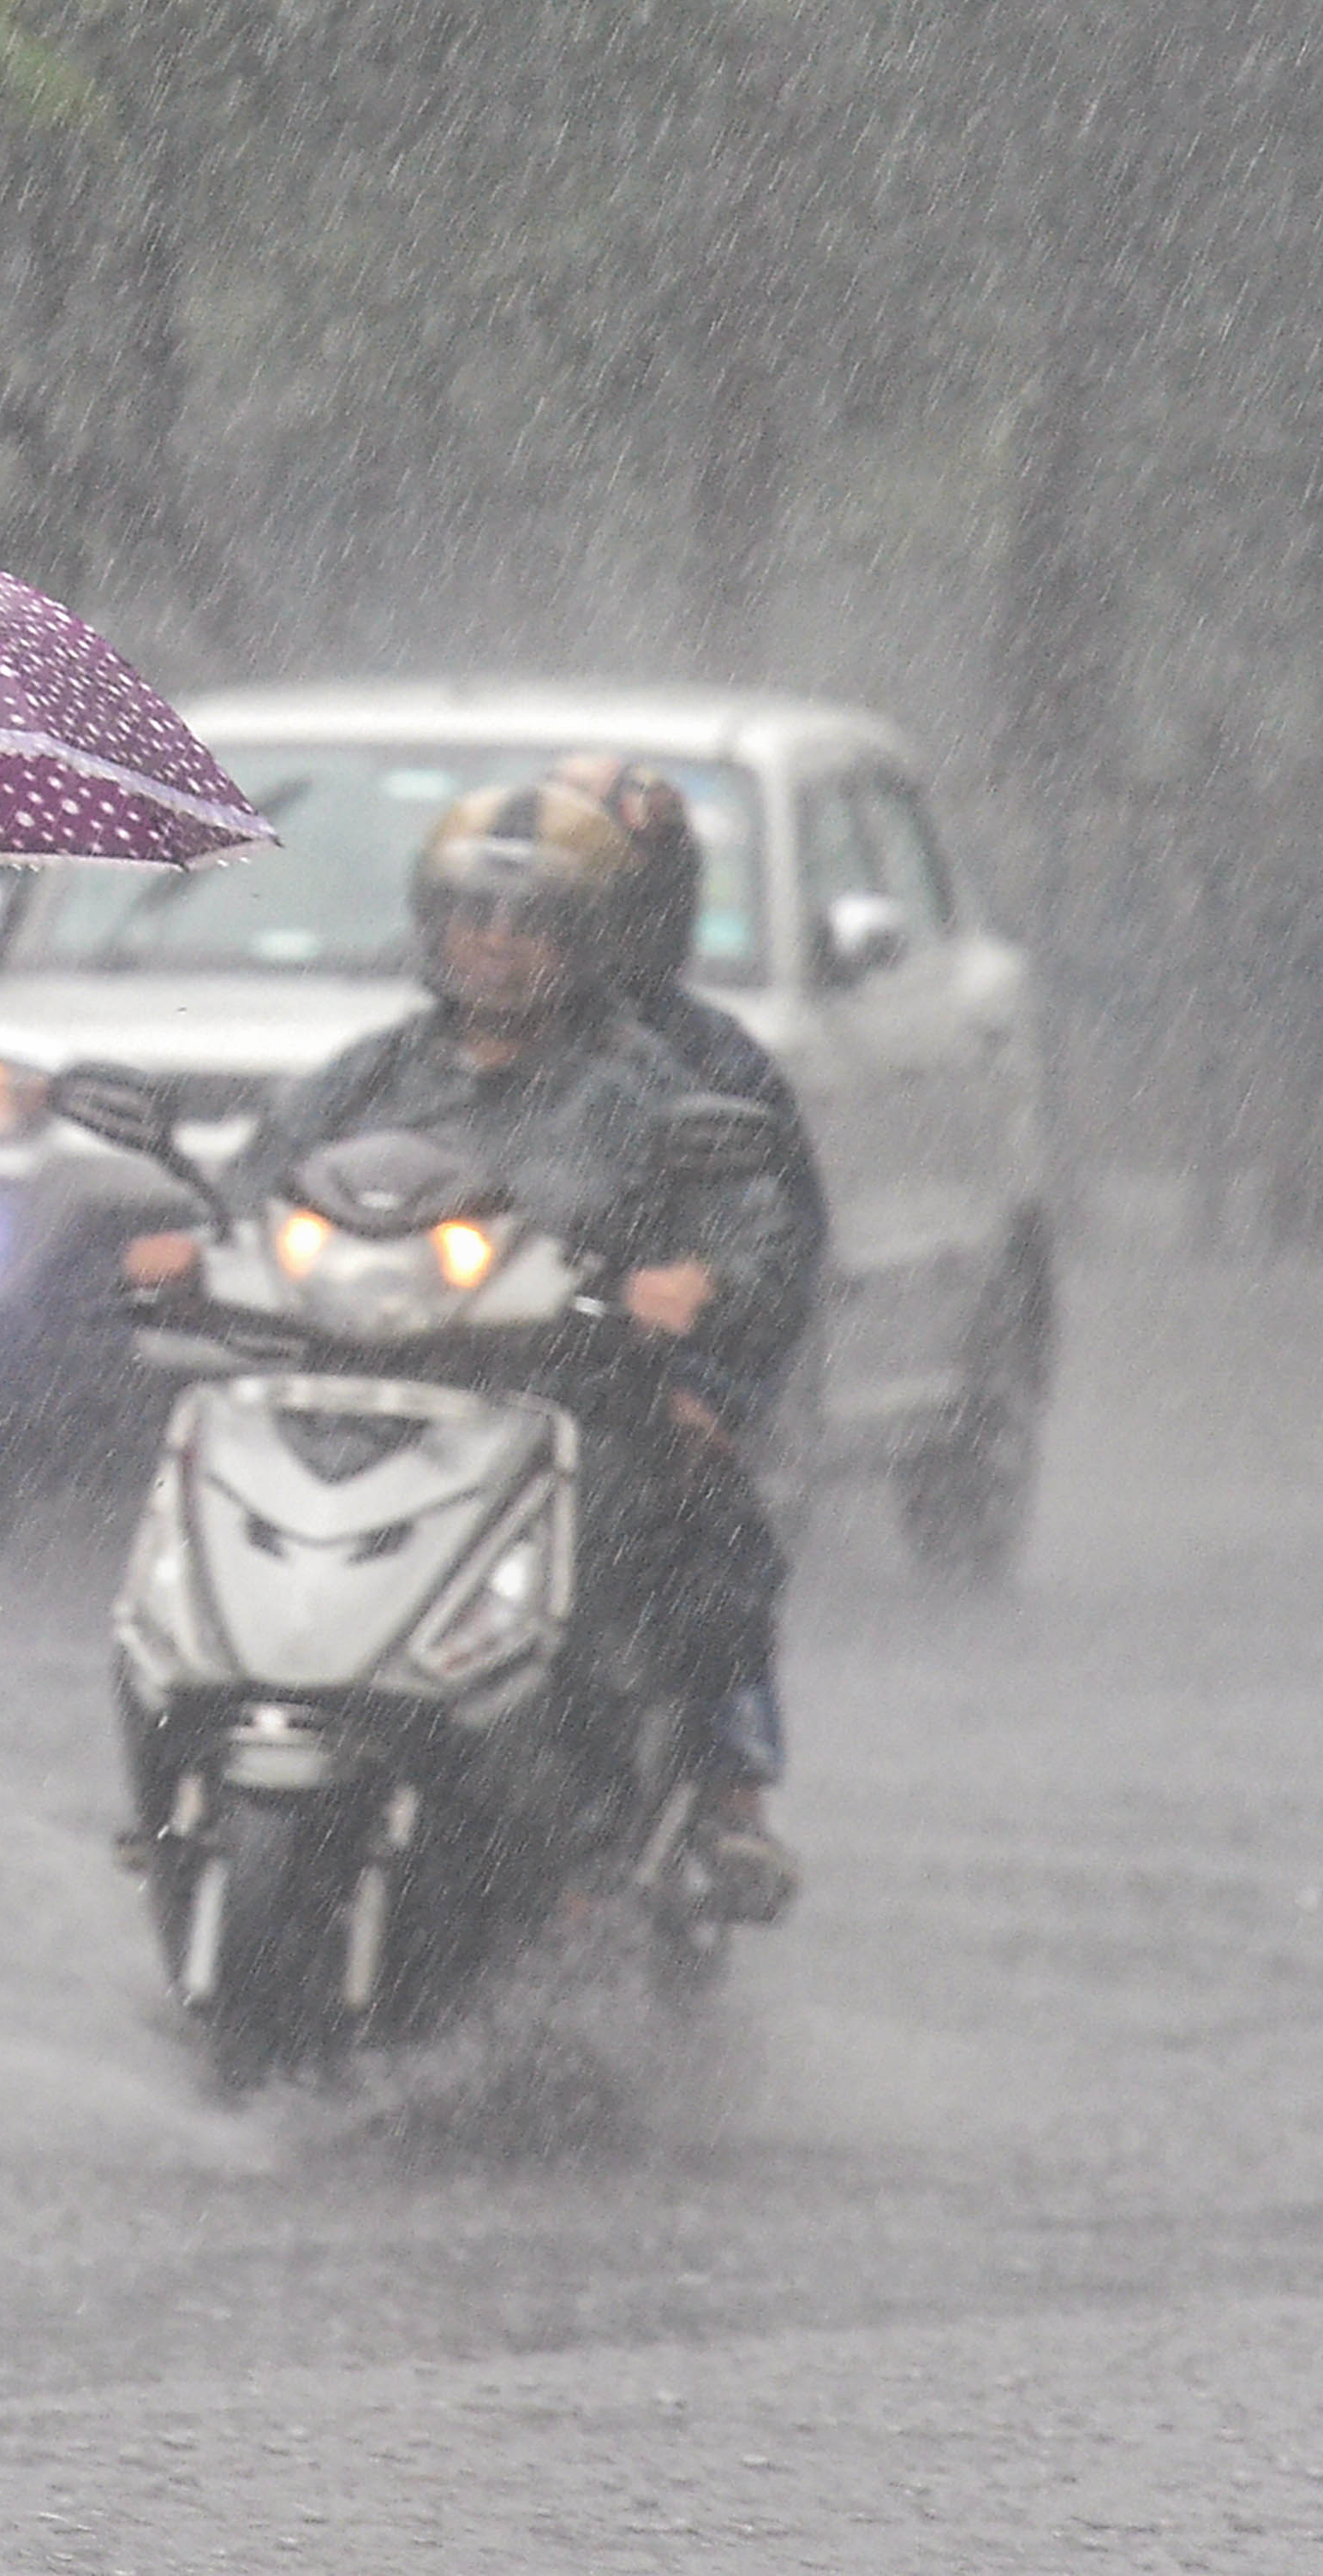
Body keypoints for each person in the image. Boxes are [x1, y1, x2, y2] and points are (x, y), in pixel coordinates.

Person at [117, 777, 819, 1913]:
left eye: (526, 920)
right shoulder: (370, 1073)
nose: (492, 944)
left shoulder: (642, 1088)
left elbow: (754, 1225)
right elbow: (258, 1188)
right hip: (349, 1394)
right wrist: (197, 1252)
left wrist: (696, 1282)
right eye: (469, 916)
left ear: (584, 939)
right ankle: (192, 1759)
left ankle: (691, 1805)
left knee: (694, 1531)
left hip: (560, 1405)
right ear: (430, 925)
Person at [535, 753, 830, 1913]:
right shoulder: (434, 1049)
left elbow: (777, 1251)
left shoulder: (713, 1066)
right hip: (460, 1382)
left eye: (623, 889)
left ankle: (729, 1793)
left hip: (633, 1399)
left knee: (712, 1551)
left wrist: (705, 1380)